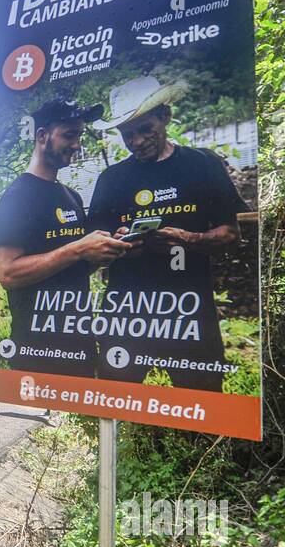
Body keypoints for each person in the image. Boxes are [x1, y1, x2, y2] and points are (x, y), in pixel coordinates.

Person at [86, 76, 249, 392]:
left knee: (203, 402)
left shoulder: (202, 165)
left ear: (165, 116)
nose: (136, 141)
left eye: (145, 129)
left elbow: (231, 233)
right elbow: (91, 248)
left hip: (189, 311)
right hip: (126, 313)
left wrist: (191, 240)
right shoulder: (111, 179)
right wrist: (117, 244)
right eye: (127, 134)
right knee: (116, 398)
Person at [0, 98, 134, 375]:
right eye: (69, 135)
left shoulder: (71, 196)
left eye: (79, 136)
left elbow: (75, 264)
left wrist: (104, 249)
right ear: (42, 136)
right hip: (38, 349)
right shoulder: (18, 196)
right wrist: (78, 249)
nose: (77, 144)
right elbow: (8, 273)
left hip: (78, 341)